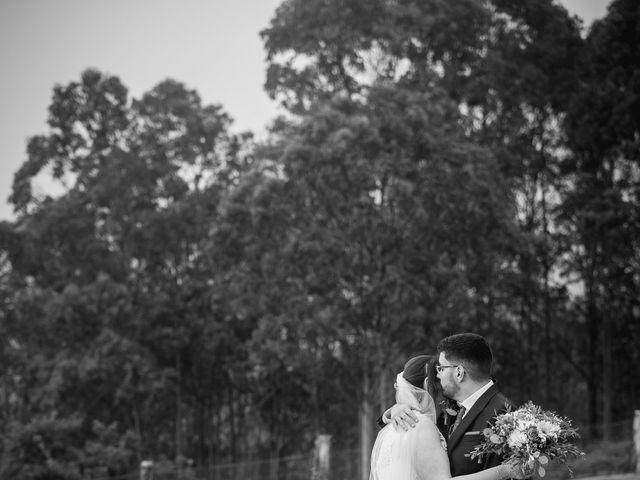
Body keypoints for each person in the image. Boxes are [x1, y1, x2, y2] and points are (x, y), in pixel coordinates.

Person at [383, 333, 515, 477]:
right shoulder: (449, 408)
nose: (437, 375)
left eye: (441, 369)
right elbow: (409, 440)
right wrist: (395, 410)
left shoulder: (504, 414)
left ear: (459, 372)